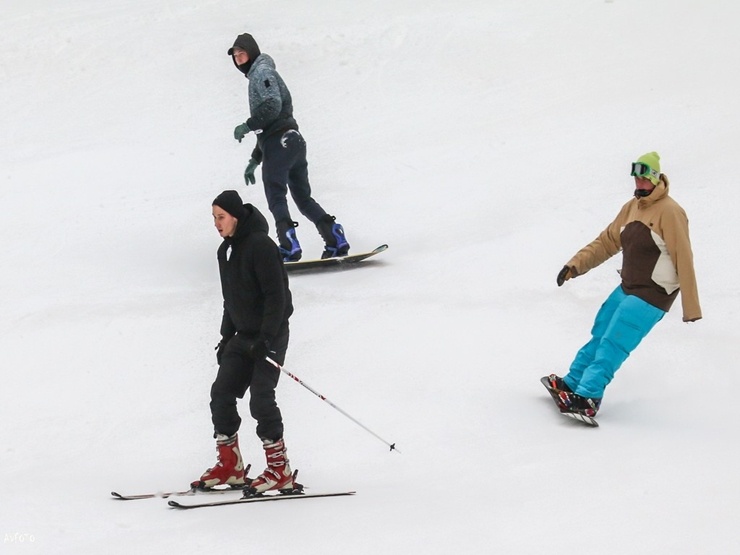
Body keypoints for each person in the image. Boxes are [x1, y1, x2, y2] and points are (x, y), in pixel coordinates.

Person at [545, 152, 702, 418]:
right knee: (601, 332)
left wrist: (691, 307)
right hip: (629, 287)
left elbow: (683, 257)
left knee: (613, 343)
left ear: (655, 178)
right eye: (636, 178)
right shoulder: (632, 207)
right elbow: (608, 241)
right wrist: (575, 265)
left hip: (653, 294)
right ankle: (572, 383)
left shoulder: (671, 212)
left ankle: (588, 396)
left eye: (644, 177)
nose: (639, 183)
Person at [192, 190, 297, 495]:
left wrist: (266, 337)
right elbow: (231, 299)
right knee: (221, 393)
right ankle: (231, 466)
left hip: (270, 334)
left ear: (235, 216)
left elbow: (277, 297)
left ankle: (280, 471)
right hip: (243, 336)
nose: (216, 223)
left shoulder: (261, 246)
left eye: (221, 217)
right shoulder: (225, 251)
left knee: (261, 398)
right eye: (213, 217)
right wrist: (226, 337)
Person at [227, 32, 350, 262]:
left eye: (242, 53)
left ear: (252, 53)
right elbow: (271, 123)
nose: (239, 59)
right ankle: (334, 237)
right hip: (292, 140)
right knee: (303, 198)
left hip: (279, 142)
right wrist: (256, 158)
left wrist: (247, 125)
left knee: (276, 195)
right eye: (235, 56)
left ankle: (288, 244)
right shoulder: (261, 73)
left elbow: (273, 106)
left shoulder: (261, 73)